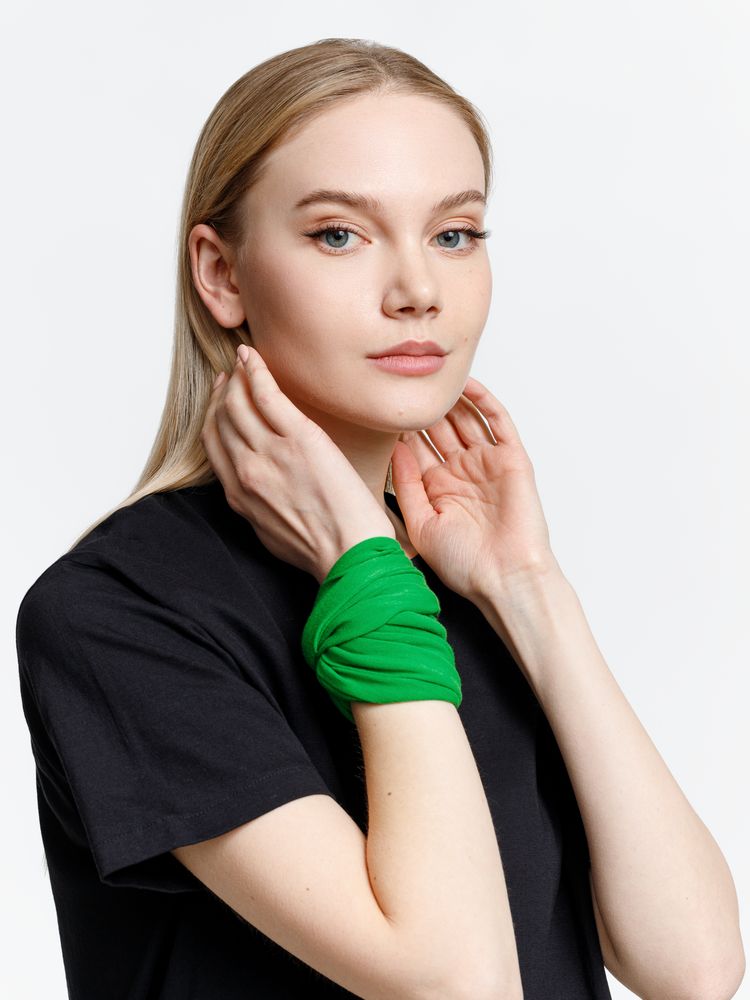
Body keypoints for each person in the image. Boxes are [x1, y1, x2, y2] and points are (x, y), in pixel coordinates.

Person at [15, 36, 744, 1000]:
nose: (418, 292)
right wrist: (363, 566)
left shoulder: (469, 573)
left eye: (455, 234)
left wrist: (528, 588)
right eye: (338, 235)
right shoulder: (119, 612)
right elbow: (456, 982)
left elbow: (693, 967)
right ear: (221, 275)